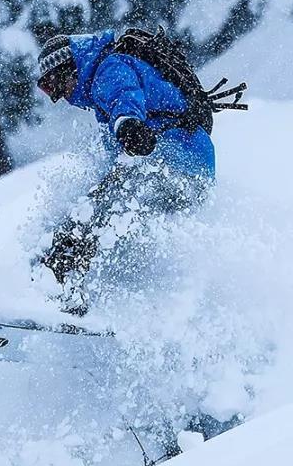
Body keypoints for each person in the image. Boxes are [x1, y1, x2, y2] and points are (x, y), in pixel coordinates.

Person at [34, 30, 221, 315]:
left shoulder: (109, 69)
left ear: (70, 68)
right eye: (47, 90)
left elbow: (125, 97)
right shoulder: (104, 80)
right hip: (186, 169)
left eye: (54, 85)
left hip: (172, 164)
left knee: (93, 217)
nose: (58, 97)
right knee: (112, 228)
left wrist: (127, 126)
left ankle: (62, 296)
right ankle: (137, 309)